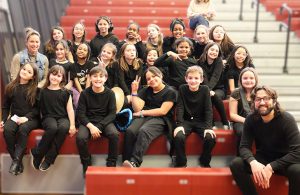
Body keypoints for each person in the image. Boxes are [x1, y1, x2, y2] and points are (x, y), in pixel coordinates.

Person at [230, 86, 300, 195]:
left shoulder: (286, 119)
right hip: (263, 158)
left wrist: (271, 166)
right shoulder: (251, 119)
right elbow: (244, 147)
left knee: (297, 170)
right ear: (254, 102)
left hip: (285, 161)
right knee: (236, 164)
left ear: (274, 101)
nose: (262, 102)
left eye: (266, 98)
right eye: (258, 99)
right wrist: (253, 162)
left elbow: (297, 151)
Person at [122, 67, 177, 167]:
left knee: (144, 130)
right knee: (130, 131)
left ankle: (134, 162)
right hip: (144, 115)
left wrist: (143, 112)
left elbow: (163, 111)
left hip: (160, 118)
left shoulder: (170, 91)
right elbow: (137, 109)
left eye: (154, 76)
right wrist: (134, 92)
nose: (151, 80)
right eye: (148, 79)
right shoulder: (146, 90)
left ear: (160, 75)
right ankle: (126, 161)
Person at [31, 65, 76, 171]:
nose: (55, 78)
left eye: (59, 76)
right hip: (48, 117)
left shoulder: (66, 92)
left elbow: (70, 110)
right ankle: (38, 153)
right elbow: (36, 109)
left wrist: (73, 125)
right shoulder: (42, 92)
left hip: (63, 118)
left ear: (62, 79)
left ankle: (48, 159)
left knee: (63, 128)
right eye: (53, 74)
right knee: (52, 128)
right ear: (49, 75)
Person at [76, 66, 119, 176]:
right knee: (80, 138)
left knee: (114, 134)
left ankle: (111, 162)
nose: (98, 79)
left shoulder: (110, 93)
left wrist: (99, 126)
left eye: (101, 76)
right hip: (88, 122)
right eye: (95, 76)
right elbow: (81, 114)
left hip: (104, 121)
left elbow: (112, 114)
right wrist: (91, 126)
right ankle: (86, 162)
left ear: (105, 78)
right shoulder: (85, 93)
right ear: (90, 78)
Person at [173, 66, 215, 167]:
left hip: (201, 121)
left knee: (210, 138)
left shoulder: (205, 89)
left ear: (201, 79)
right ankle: (181, 162)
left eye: (196, 78)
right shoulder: (182, 88)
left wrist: (208, 127)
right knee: (178, 136)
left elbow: (208, 110)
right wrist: (179, 124)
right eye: (190, 78)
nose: (193, 81)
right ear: (186, 79)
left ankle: (204, 161)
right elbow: (180, 107)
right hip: (186, 121)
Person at [1, 63, 39, 175]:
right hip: (15, 117)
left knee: (23, 129)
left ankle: (16, 162)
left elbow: (37, 110)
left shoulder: (35, 90)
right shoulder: (11, 87)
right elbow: (5, 106)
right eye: (24, 69)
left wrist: (26, 118)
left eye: (29, 72)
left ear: (33, 77)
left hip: (31, 119)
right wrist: (3, 119)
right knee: (7, 130)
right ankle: (17, 162)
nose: (25, 72)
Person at [198, 42, 229, 129]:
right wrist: (208, 90)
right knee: (209, 96)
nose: (214, 52)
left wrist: (209, 90)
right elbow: (203, 78)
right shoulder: (200, 62)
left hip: (219, 88)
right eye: (212, 49)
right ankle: (211, 123)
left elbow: (215, 77)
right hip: (205, 88)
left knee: (214, 96)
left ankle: (225, 122)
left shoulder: (219, 61)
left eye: (216, 51)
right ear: (207, 50)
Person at [229, 67, 258, 155]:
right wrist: (247, 121)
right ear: (241, 80)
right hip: (240, 121)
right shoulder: (236, 93)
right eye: (245, 78)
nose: (248, 80)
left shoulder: (259, 92)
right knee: (242, 132)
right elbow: (232, 115)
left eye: (251, 78)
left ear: (256, 80)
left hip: (257, 120)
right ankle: (241, 157)